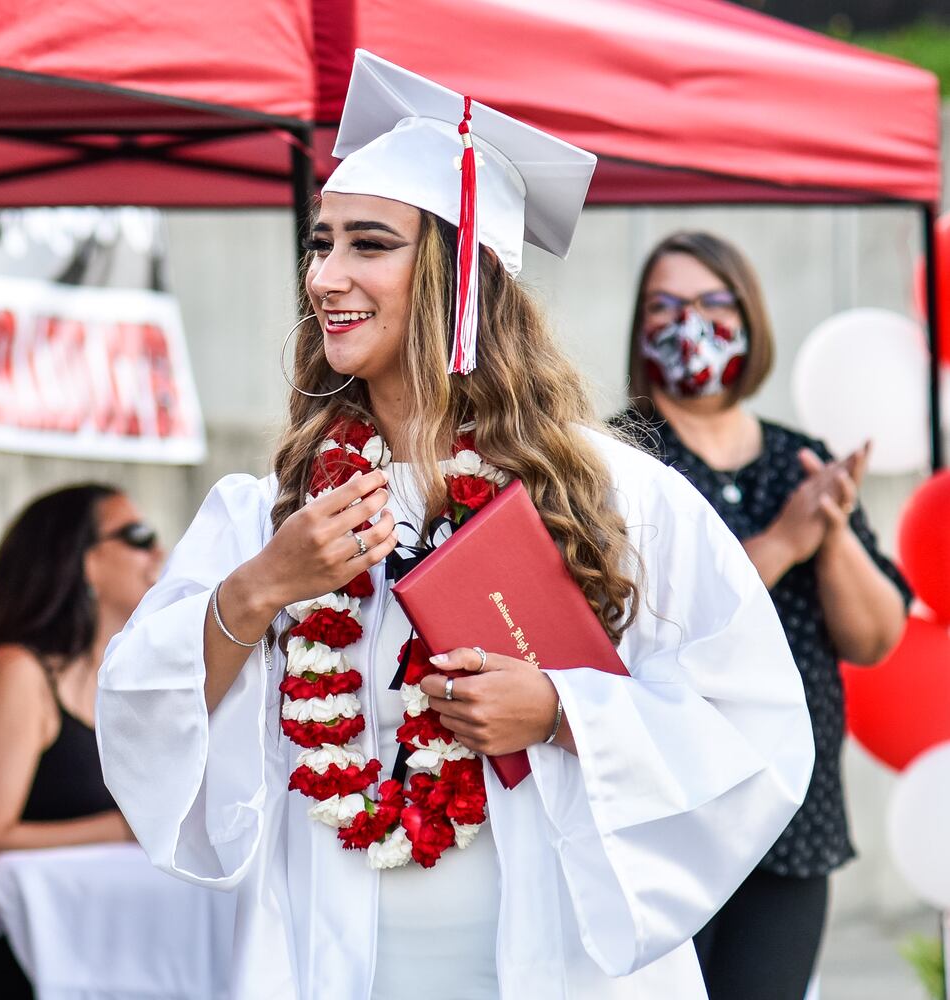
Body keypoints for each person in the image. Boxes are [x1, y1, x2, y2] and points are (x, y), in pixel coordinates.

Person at [96, 50, 813, 1000]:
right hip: (331, 955)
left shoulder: (610, 497)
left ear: (456, 276)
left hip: (545, 959)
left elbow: (753, 729)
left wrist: (561, 713)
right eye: (320, 243)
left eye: (367, 244)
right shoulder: (265, 510)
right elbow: (141, 714)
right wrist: (258, 586)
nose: (325, 276)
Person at [617, 231, 911, 1000]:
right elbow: (643, 628)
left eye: (713, 304)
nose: (691, 324)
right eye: (666, 306)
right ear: (640, 329)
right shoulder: (619, 460)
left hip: (791, 811)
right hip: (667, 807)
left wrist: (833, 529)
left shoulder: (798, 455)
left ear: (749, 318)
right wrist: (782, 540)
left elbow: (874, 636)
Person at [0, 483, 159, 1000]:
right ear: (82, 563)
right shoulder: (15, 673)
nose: (160, 552)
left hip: (75, 930)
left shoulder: (117, 678)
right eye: (138, 536)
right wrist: (122, 829)